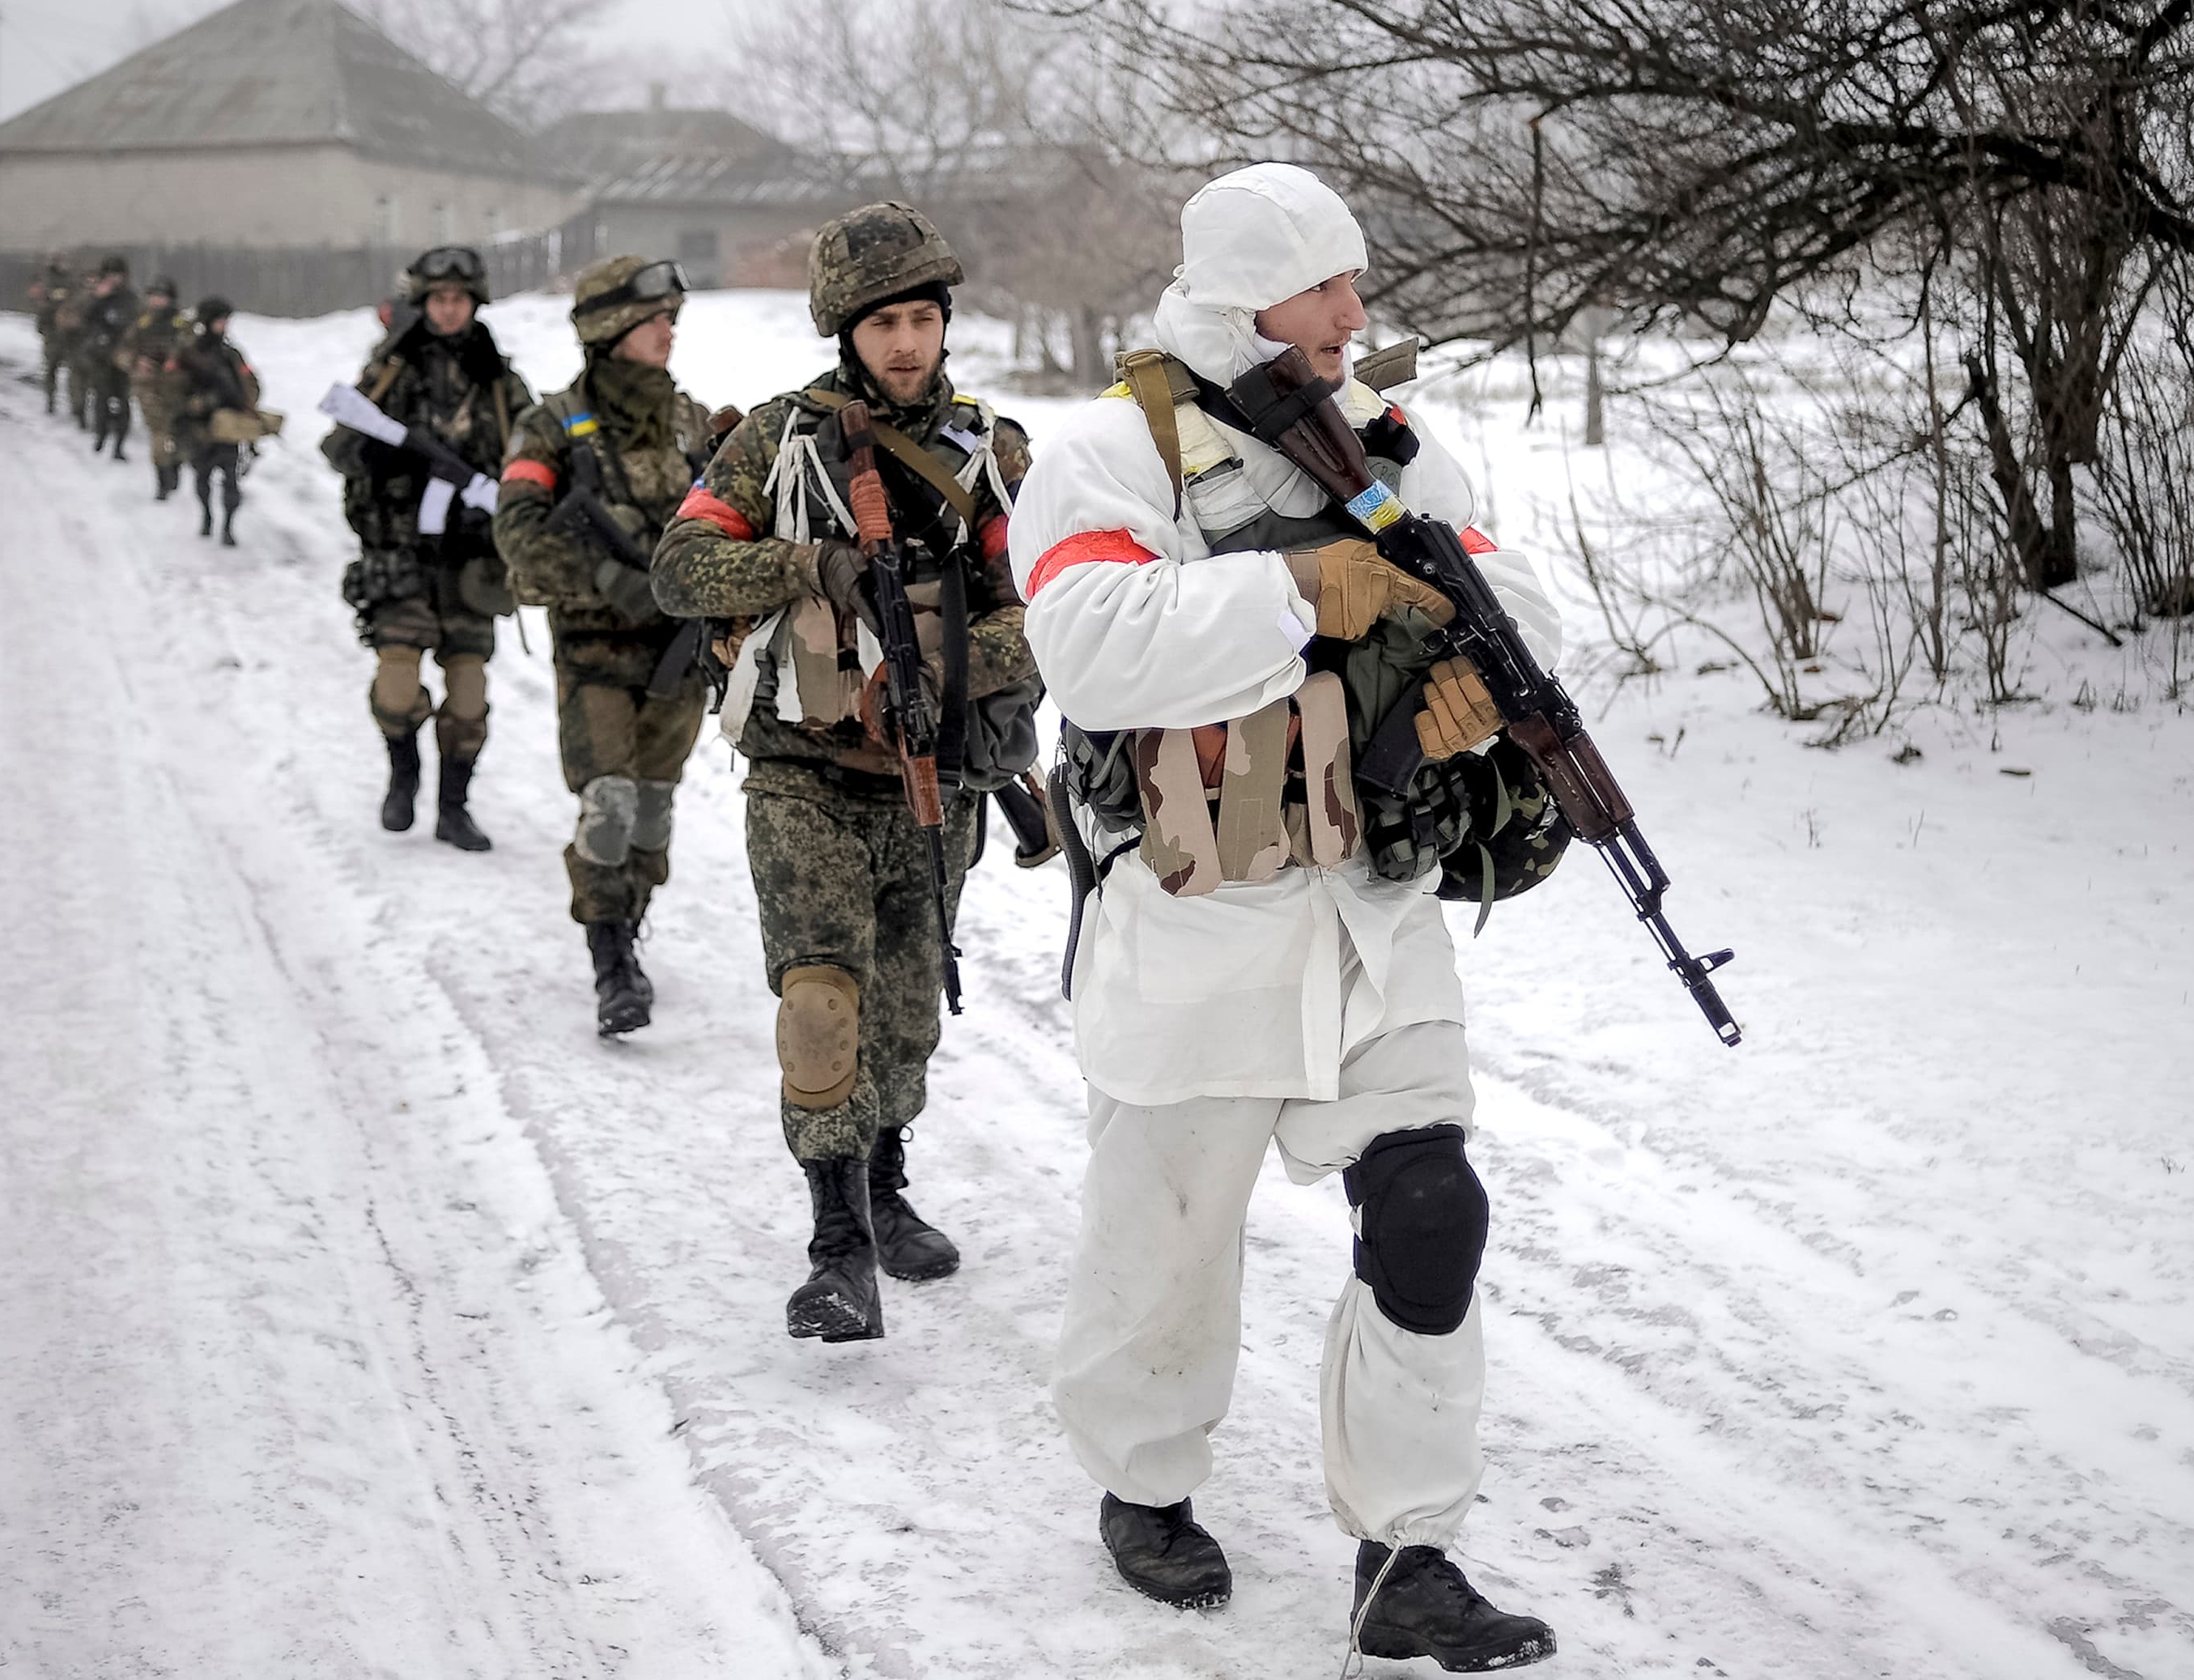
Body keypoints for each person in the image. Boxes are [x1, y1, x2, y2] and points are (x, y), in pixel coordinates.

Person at [1006, 163, 1561, 1669]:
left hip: (1372, 909)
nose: (1353, 313)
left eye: (1353, 284)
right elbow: (1094, 643)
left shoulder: (1386, 441)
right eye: (1326, 286)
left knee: (1433, 1204)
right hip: (1200, 911)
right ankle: (1144, 1478)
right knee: (1167, 1249)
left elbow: (1516, 600)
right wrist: (1300, 590)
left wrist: (1465, 695)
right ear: (1251, 288)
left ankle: (1407, 1552)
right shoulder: (1116, 451)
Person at [652, 203, 1039, 1344]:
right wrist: (806, 564)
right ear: (844, 331)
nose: (907, 342)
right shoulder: (776, 439)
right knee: (821, 1006)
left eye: (923, 318)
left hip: (934, 781)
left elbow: (1052, 609)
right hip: (802, 776)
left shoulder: (993, 453)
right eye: (884, 323)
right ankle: (835, 1246)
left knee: (906, 1023)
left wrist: (937, 654)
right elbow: (679, 567)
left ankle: (884, 1180)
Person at [492, 257, 716, 1036]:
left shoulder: (693, 424)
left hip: (678, 657)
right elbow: (516, 533)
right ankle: (611, 956)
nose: (669, 327)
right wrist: (604, 581)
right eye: (653, 317)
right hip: (595, 655)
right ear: (610, 329)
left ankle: (631, 913)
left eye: (670, 316)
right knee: (609, 804)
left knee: (652, 812)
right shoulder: (552, 425)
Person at [321, 245, 530, 852]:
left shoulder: (498, 379)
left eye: (459, 299)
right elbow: (337, 447)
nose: (449, 309)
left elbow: (535, 452)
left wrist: (494, 494)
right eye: (438, 299)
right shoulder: (392, 368)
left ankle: (453, 806)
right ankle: (402, 773)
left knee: (468, 696)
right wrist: (379, 453)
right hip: (401, 555)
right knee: (396, 682)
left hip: (471, 562)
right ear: (423, 303)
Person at [171, 295, 257, 547]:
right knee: (203, 478)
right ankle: (207, 515)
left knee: (231, 480)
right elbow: (173, 390)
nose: (223, 326)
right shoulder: (189, 354)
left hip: (228, 426)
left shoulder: (230, 354)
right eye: (219, 321)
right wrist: (199, 404)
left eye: (226, 321)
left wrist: (248, 406)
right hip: (201, 428)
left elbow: (249, 382)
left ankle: (228, 526)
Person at [117, 274, 190, 499]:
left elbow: (197, 354)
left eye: (162, 297)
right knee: (158, 433)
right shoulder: (140, 325)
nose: (158, 302)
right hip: (149, 387)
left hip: (178, 387)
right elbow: (121, 353)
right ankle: (162, 479)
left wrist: (178, 361)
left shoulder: (183, 325)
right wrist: (136, 362)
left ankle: (175, 465)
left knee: (178, 432)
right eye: (154, 297)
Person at [77, 254, 141, 459]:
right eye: (111, 274)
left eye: (118, 275)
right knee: (101, 396)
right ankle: (101, 434)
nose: (115, 279)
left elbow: (137, 322)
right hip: (101, 354)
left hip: (123, 355)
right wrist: (98, 298)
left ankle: (119, 445)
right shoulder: (98, 297)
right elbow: (85, 319)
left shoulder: (130, 298)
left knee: (123, 399)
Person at [28, 251, 79, 415]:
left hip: (69, 333)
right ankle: (51, 400)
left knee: (73, 370)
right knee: (51, 369)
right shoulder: (46, 281)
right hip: (51, 331)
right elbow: (40, 304)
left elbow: (77, 302)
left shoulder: (72, 282)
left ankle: (75, 404)